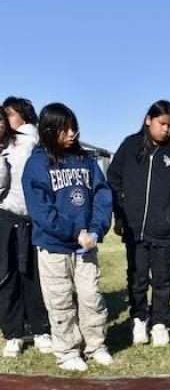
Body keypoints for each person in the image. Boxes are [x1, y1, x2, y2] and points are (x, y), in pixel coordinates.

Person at [22, 102, 113, 371]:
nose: (72, 133)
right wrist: (75, 232)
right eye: (65, 129)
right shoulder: (36, 164)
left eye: (74, 127)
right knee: (60, 300)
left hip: (86, 245)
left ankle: (96, 345)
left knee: (91, 295)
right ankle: (67, 351)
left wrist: (96, 229)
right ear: (49, 131)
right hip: (54, 246)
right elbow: (42, 212)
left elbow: (101, 194)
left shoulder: (85, 159)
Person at [107, 100, 170, 347]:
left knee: (162, 280)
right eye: (161, 123)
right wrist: (121, 213)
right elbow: (114, 178)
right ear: (148, 120)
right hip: (135, 230)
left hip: (166, 233)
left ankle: (160, 323)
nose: (166, 130)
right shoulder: (130, 146)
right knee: (137, 279)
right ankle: (139, 318)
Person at [0, 97, 52, 358]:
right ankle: (14, 332)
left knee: (32, 275)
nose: (5, 121)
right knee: (8, 276)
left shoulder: (32, 141)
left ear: (22, 116)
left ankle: (38, 329)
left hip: (32, 218)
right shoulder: (5, 142)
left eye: (8, 115)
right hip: (7, 216)